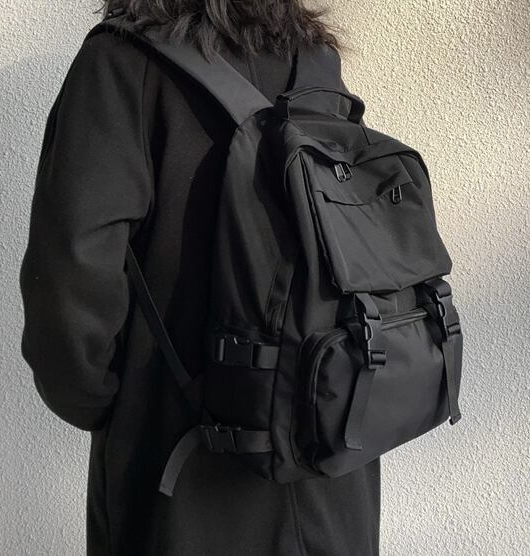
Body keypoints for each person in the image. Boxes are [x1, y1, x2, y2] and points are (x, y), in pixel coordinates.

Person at [19, 1, 381, 554]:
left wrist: (110, 409)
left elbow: (71, 277)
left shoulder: (121, 62)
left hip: (180, 466)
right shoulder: (314, 60)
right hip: (330, 455)